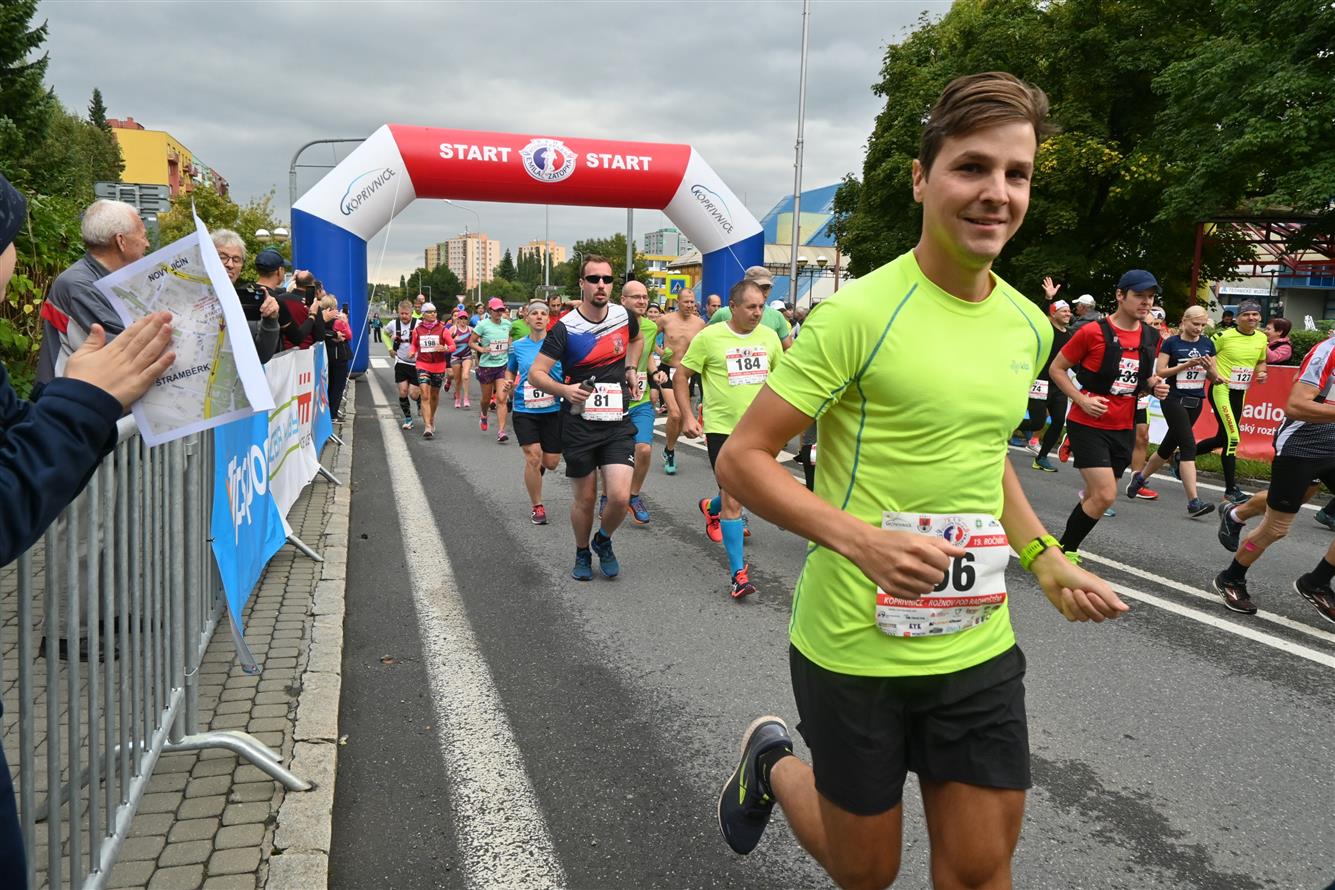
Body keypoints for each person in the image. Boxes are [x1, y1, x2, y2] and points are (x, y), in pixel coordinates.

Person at [711, 72, 1126, 888]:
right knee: (865, 875)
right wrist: (859, 540)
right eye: (971, 167)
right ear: (920, 178)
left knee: (977, 871)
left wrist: (1043, 557)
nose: (996, 192)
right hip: (853, 644)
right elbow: (742, 458)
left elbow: (982, 454)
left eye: (1016, 174)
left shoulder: (1027, 323)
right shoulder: (856, 314)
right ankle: (772, 764)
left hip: (974, 640)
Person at [0, 173, 177, 889]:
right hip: (73, 416)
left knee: (105, 533)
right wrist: (82, 405)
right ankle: (70, 628)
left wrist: (76, 408)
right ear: (122, 239)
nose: (148, 237)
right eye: (10, 243)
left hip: (77, 418)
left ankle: (95, 616)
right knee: (82, 536)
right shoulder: (81, 282)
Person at [527, 254, 643, 581]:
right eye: (594, 279)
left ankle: (602, 540)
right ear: (582, 284)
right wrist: (565, 390)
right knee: (586, 498)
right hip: (579, 423)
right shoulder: (565, 328)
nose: (601, 285)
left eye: (607, 279)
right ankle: (581, 551)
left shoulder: (624, 316)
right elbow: (536, 374)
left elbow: (637, 338)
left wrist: (631, 368)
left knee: (619, 496)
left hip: (617, 421)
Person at [1212, 333, 1335, 623]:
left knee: (1293, 501)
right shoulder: (1327, 352)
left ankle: (1316, 583)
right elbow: (1296, 406)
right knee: (1277, 527)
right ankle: (1231, 578)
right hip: (1302, 447)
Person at [1049, 270, 1169, 556]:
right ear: (1120, 295)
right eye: (1139, 295)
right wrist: (1081, 399)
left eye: (1150, 297)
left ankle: (1063, 549)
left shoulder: (1151, 336)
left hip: (1123, 424)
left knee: (1095, 496)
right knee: (1105, 495)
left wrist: (1154, 386)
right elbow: (1057, 368)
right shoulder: (1092, 332)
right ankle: (1066, 552)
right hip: (1088, 422)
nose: (1146, 302)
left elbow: (1142, 378)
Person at [676, 279, 782, 599]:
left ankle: (712, 507)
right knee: (735, 498)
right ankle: (738, 574)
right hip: (722, 429)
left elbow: (783, 380)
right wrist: (687, 416)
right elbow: (682, 376)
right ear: (732, 307)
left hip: (760, 429)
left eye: (761, 306)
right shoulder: (709, 337)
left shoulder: (770, 337)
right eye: (751, 307)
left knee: (745, 490)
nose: (757, 312)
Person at [36, 198, 149, 383]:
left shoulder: (107, 278)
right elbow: (129, 348)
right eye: (143, 236)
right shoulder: (79, 285)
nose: (147, 244)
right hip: (67, 395)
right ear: (121, 241)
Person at [1135, 305, 1222, 517]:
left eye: (1202, 325)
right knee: (1188, 446)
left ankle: (1139, 480)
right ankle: (1194, 502)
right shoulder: (1172, 342)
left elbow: (1214, 377)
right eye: (1195, 324)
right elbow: (1161, 371)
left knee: (1167, 447)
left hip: (1196, 400)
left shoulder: (1207, 344)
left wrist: (1212, 371)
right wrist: (1185, 365)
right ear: (1184, 321)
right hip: (1173, 398)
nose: (1199, 328)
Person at [1195, 299, 1268, 503]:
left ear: (1260, 317)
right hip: (1222, 390)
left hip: (1240, 392)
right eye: (1246, 314)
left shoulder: (1262, 338)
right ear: (1237, 318)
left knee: (1223, 438)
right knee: (1233, 437)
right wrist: (1214, 373)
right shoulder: (1223, 336)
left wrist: (1262, 372)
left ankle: (1181, 455)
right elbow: (1204, 356)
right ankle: (1230, 490)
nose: (1251, 318)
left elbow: (1261, 362)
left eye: (1255, 314)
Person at [507, 301, 564, 525]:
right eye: (534, 314)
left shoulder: (558, 346)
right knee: (533, 456)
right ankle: (537, 506)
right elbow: (510, 370)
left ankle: (537, 467)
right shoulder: (518, 346)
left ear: (549, 319)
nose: (539, 317)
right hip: (524, 407)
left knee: (551, 462)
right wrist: (508, 383)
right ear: (527, 318)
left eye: (543, 314)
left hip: (553, 409)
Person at [613, 280, 657, 525]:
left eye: (645, 297)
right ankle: (607, 496)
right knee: (609, 455)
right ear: (623, 300)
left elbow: (647, 354)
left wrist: (655, 374)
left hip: (640, 399)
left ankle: (633, 495)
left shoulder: (651, 326)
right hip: (612, 401)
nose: (642, 301)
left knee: (644, 449)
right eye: (636, 297)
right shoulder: (611, 324)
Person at [211, 230, 283, 364]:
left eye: (236, 260)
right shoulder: (185, 298)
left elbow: (262, 355)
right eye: (223, 257)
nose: (230, 265)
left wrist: (271, 320)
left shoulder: (244, 302)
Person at [656, 288, 706, 475]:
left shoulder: (700, 324)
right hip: (667, 370)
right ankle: (670, 452)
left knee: (680, 416)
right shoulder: (666, 319)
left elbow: (705, 346)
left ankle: (669, 447)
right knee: (676, 414)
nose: (690, 305)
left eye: (692, 302)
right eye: (686, 301)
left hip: (686, 374)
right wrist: (660, 352)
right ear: (678, 302)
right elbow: (647, 336)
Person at [1028, 298, 1072, 472]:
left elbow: (1072, 360)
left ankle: (1041, 458)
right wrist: (1047, 299)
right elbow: (1035, 318)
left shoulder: (1070, 335)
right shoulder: (1046, 329)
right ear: (1053, 314)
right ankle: (1004, 429)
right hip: (1040, 381)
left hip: (1058, 384)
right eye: (1064, 311)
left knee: (1059, 422)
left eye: (1069, 311)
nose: (1068, 313)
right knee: (1037, 423)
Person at [708, 270, 794, 350]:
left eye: (766, 287)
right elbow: (705, 341)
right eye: (756, 287)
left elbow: (788, 350)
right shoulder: (722, 314)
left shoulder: (777, 316)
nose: (762, 292)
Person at [408, 303, 455, 439]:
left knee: (434, 395)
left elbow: (452, 346)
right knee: (424, 394)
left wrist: (445, 348)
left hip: (438, 366)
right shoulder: (417, 330)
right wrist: (412, 352)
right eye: (429, 312)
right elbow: (414, 345)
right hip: (422, 364)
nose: (433, 314)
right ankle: (427, 426)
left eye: (434, 311)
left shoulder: (442, 329)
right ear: (423, 314)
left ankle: (431, 418)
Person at [472, 297, 512, 442]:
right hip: (487, 366)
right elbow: (471, 342)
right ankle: (484, 414)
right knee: (486, 399)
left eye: (501, 310)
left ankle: (501, 431)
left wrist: (509, 346)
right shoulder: (482, 325)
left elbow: (509, 339)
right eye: (496, 310)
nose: (499, 313)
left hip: (502, 365)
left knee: (501, 399)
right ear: (490, 310)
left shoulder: (507, 324)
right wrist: (482, 349)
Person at [383, 301, 422, 429]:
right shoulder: (393, 324)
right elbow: (385, 334)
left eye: (406, 314)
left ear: (411, 313)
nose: (404, 316)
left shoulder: (419, 324)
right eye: (401, 313)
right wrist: (390, 348)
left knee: (413, 394)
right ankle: (408, 419)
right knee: (403, 391)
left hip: (416, 364)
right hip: (401, 362)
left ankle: (419, 401)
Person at [319, 295, 352, 418]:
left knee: (329, 384)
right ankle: (333, 413)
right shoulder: (338, 321)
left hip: (327, 354)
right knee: (338, 386)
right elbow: (348, 335)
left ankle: (328, 412)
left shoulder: (320, 321)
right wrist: (345, 322)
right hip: (339, 355)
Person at [447, 307, 474, 409]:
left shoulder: (470, 330)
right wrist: (454, 340)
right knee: (458, 380)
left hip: (467, 356)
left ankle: (466, 398)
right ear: (457, 319)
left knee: (466, 376)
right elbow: (446, 342)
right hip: (455, 357)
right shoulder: (453, 329)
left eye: (465, 318)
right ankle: (458, 397)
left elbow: (477, 339)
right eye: (461, 318)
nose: (463, 320)